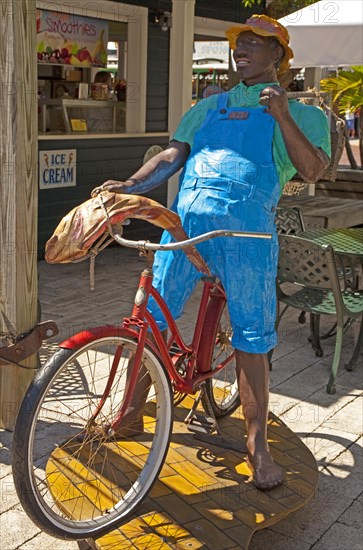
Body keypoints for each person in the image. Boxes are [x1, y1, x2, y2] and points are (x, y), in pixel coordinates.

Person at [92, 14, 330, 490]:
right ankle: (131, 412)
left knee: (250, 338)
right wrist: (132, 184)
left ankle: (256, 447)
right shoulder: (207, 106)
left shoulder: (306, 114)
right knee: (151, 319)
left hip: (247, 243)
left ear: (278, 56)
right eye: (237, 44)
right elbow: (172, 155)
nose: (239, 51)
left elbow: (313, 171)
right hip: (184, 231)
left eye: (252, 45)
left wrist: (282, 115)